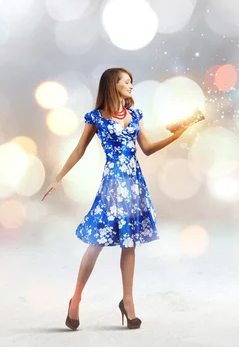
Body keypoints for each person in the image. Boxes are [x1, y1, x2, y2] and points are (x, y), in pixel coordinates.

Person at [41, 67, 190, 331]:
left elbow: (147, 148)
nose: (131, 85)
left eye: (132, 81)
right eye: (126, 82)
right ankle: (76, 298)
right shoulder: (96, 117)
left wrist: (175, 135)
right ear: (113, 85)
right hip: (112, 184)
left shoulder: (135, 115)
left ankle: (128, 302)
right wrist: (59, 177)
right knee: (96, 242)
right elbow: (79, 150)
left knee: (129, 243)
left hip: (134, 184)